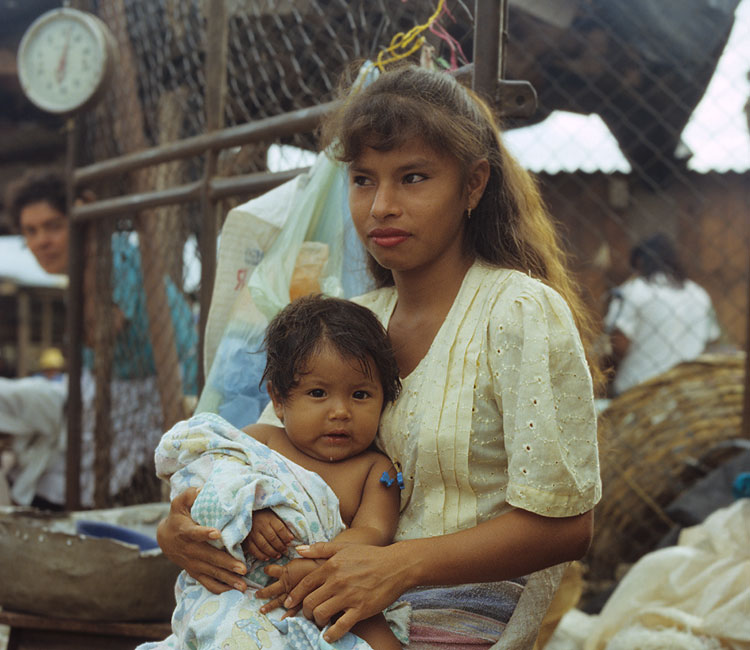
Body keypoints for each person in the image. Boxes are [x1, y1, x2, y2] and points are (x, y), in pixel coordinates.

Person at [158, 63, 602, 649]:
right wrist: (178, 530)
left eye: (413, 178)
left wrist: (399, 566)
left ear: (473, 185)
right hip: (319, 601)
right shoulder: (348, 321)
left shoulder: (518, 312)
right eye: (363, 180)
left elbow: (568, 526)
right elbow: (258, 455)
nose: (381, 206)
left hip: (457, 618)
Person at [140, 294, 403, 650]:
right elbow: (213, 485)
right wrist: (246, 513)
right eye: (318, 392)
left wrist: (319, 565)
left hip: (330, 584)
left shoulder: (375, 469)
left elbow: (374, 531)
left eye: (360, 395)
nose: (340, 411)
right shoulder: (259, 442)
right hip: (246, 588)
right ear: (278, 401)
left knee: (380, 639)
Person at [2, 168, 199, 506]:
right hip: (105, 388)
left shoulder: (112, 256)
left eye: (53, 226)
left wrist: (91, 237)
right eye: (30, 231)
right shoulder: (77, 276)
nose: (41, 241)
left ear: (78, 223)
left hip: (158, 388)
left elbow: (102, 332)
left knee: (65, 475)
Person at [604, 232, 720, 396]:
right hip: (687, 392)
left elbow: (619, 345)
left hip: (637, 390)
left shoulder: (634, 290)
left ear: (640, 262)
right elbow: (711, 341)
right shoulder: (699, 294)